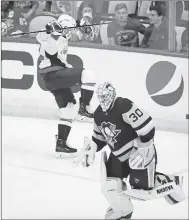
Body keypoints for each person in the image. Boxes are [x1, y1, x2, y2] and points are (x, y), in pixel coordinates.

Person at [75, 82, 185, 219]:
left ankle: (169, 180)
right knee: (110, 185)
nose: (103, 100)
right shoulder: (98, 114)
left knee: (143, 188)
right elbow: (99, 138)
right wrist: (92, 149)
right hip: (117, 156)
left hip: (137, 153)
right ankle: (124, 211)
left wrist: (144, 148)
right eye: (100, 97)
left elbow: (147, 126)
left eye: (105, 96)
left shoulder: (123, 105)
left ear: (112, 94)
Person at [36, 15, 96, 158]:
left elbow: (79, 32)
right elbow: (42, 36)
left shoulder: (62, 36)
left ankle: (61, 143)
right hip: (53, 74)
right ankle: (85, 108)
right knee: (88, 75)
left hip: (54, 78)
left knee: (69, 108)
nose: (69, 33)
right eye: (67, 30)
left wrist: (79, 24)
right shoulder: (52, 37)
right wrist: (49, 29)